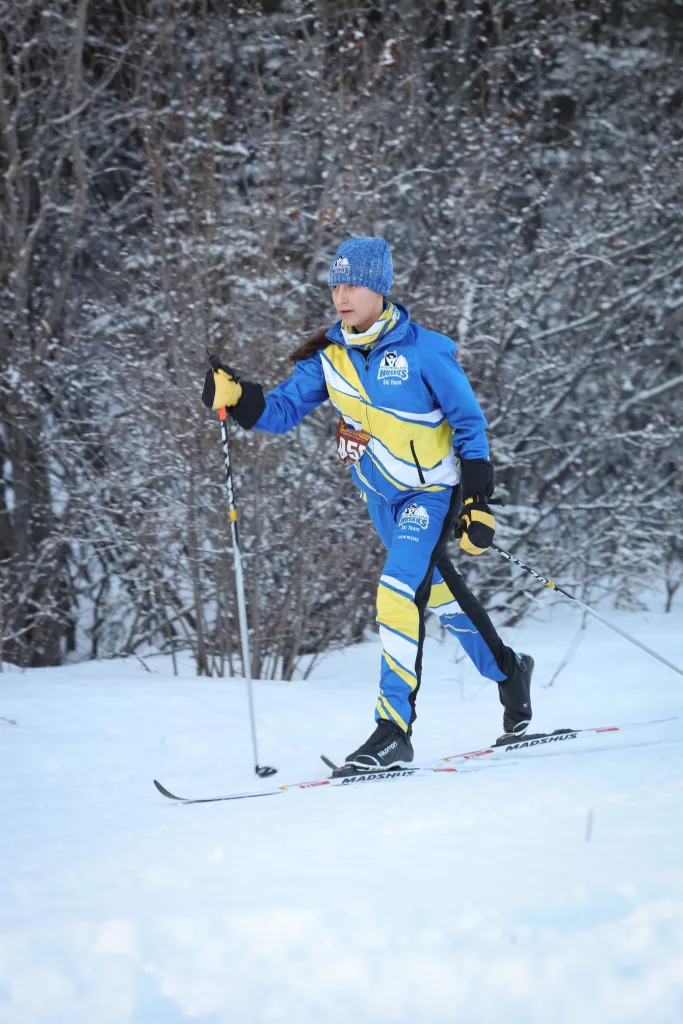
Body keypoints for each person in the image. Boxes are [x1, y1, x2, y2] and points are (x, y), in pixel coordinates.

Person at [202, 236, 533, 772]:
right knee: (442, 597)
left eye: (352, 284)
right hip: (381, 499)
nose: (341, 296)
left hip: (432, 493)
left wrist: (477, 500)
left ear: (379, 287)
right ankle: (509, 671)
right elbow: (282, 412)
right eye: (335, 285)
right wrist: (240, 397)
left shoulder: (425, 351)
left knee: (398, 591)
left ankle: (392, 730)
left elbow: (469, 424)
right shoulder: (329, 357)